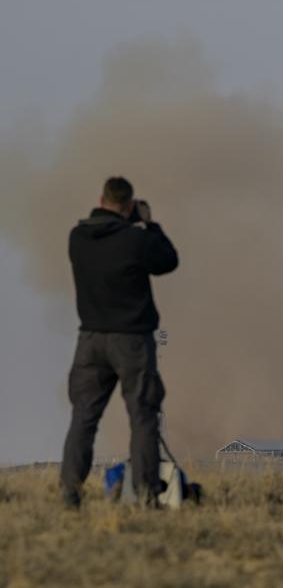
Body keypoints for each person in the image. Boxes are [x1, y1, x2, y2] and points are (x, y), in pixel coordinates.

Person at [60, 176, 180, 508]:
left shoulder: (77, 238)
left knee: (83, 417)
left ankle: (69, 493)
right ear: (129, 206)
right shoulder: (135, 240)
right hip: (132, 342)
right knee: (142, 416)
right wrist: (150, 224)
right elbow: (168, 261)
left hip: (90, 340)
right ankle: (145, 495)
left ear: (100, 201)